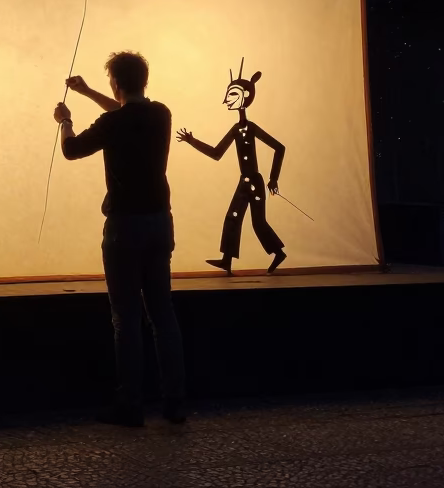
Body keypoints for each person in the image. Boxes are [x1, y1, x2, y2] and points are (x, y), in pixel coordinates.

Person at [53, 51, 186, 427]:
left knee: (126, 318)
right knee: (163, 314)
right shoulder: (161, 114)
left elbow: (71, 150)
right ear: (145, 79)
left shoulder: (113, 123)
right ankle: (175, 403)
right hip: (160, 222)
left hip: (125, 226)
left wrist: (66, 121)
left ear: (115, 82)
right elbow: (126, 113)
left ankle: (130, 404)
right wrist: (88, 92)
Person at [177, 59, 287, 275]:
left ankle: (278, 252)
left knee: (258, 223)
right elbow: (216, 153)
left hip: (254, 182)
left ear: (245, 96)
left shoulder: (251, 128)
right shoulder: (236, 129)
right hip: (244, 182)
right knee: (233, 218)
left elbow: (279, 148)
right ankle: (227, 260)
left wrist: (273, 178)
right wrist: (192, 141)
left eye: (233, 94)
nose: (227, 99)